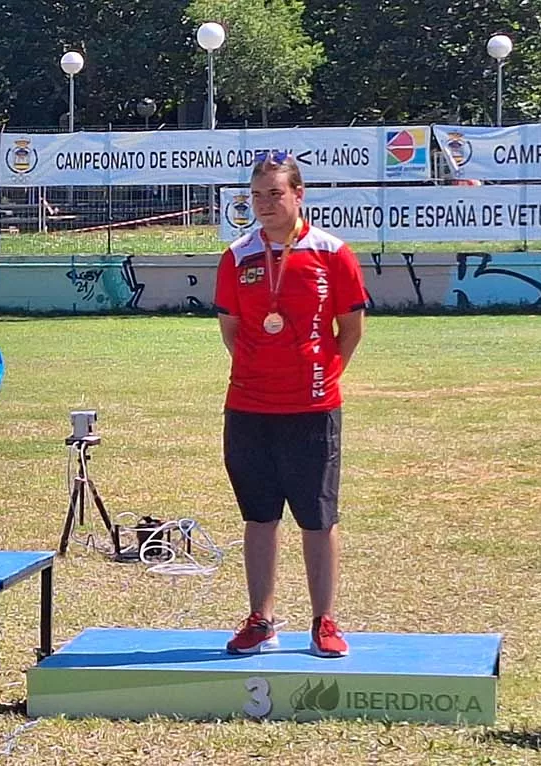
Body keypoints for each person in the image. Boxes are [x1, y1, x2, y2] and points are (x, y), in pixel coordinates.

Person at [214, 152, 366, 657]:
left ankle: (324, 622)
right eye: (256, 195)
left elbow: (351, 330)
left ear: (299, 195)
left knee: (317, 518)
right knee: (258, 517)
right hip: (249, 407)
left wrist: (317, 375)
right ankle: (262, 619)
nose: (264, 204)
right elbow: (232, 330)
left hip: (313, 408)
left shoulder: (332, 252)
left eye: (274, 193)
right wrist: (263, 372)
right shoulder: (237, 255)